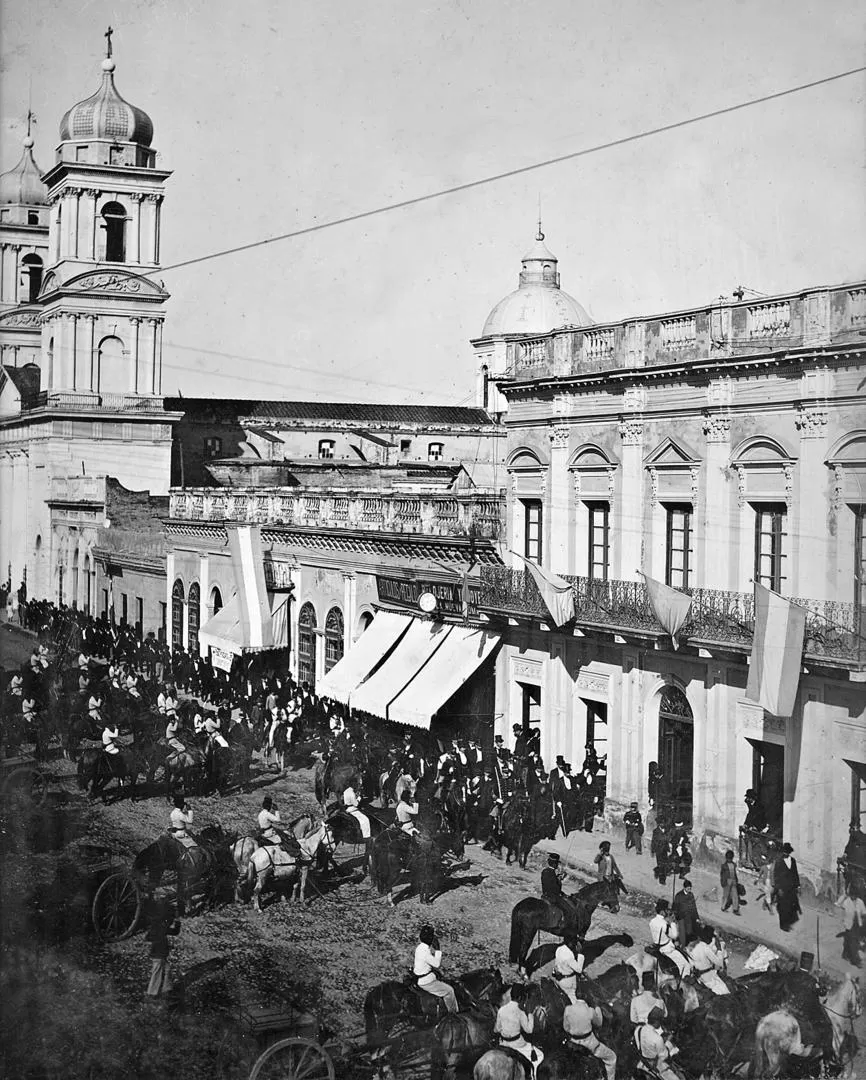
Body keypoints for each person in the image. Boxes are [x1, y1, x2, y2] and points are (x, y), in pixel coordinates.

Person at [562, 988, 617, 1080]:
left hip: (572, 1043)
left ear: (576, 995)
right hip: (589, 1044)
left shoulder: (568, 1009)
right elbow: (599, 1024)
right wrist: (598, 1009)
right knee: (612, 1057)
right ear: (587, 997)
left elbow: (566, 1028)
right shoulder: (590, 1010)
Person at [413, 925, 457, 1012]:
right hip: (426, 982)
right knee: (449, 990)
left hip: (422, 977)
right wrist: (438, 949)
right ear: (431, 939)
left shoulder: (420, 947)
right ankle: (453, 1015)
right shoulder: (425, 951)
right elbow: (436, 964)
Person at [494, 984, 539, 1068]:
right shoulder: (520, 1012)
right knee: (540, 1056)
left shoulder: (501, 1009)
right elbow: (529, 1030)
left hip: (503, 1044)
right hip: (517, 1044)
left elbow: (497, 1029)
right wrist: (530, 1014)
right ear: (520, 998)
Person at [145, 900, 180, 1000]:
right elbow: (174, 931)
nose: (170, 921)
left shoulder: (160, 926)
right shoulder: (159, 926)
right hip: (158, 953)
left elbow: (174, 932)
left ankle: (166, 989)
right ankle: (152, 993)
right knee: (157, 971)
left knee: (167, 969)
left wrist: (177, 920)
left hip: (160, 953)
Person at [635, 1006, 683, 1080]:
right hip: (655, 1064)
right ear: (657, 1022)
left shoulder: (639, 1029)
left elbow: (646, 1041)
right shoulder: (657, 1039)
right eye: (660, 1021)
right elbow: (664, 1056)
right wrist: (668, 1042)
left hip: (643, 1060)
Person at [649, 899, 691, 979]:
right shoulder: (664, 924)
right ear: (662, 912)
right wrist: (672, 923)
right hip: (667, 948)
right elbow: (674, 935)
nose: (668, 912)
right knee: (685, 965)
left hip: (657, 945)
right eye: (666, 910)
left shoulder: (652, 921)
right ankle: (685, 980)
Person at [687, 925, 729, 995]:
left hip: (697, 977)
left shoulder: (690, 948)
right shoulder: (705, 948)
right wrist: (719, 950)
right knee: (725, 992)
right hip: (709, 978)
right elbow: (719, 963)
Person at [541, 852, 576, 927]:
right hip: (553, 897)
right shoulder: (552, 873)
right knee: (568, 908)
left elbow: (549, 884)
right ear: (555, 864)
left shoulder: (545, 871)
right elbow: (555, 889)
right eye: (557, 864)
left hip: (545, 895)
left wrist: (557, 878)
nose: (558, 865)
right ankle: (563, 925)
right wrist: (559, 881)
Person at [773, 843, 801, 932]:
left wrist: (798, 886)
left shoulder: (792, 861)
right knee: (782, 907)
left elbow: (795, 873)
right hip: (782, 888)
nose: (785, 854)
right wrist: (779, 889)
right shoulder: (778, 861)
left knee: (790, 906)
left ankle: (788, 923)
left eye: (787, 852)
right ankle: (783, 925)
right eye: (784, 852)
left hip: (791, 887)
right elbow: (776, 876)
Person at [835, 882, 865, 967]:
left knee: (849, 940)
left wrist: (861, 920)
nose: (853, 897)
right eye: (852, 895)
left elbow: (864, 913)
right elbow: (838, 904)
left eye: (855, 895)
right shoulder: (846, 901)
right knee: (853, 943)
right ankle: (855, 961)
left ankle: (845, 954)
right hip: (848, 924)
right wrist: (844, 895)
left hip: (857, 925)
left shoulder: (860, 902)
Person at [553, 933, 585, 1004]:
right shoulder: (568, 956)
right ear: (570, 943)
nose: (575, 944)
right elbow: (579, 969)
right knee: (573, 1001)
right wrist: (580, 953)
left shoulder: (559, 949)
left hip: (559, 978)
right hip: (568, 982)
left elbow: (556, 964)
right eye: (574, 942)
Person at [672, 879, 699, 946]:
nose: (690, 889)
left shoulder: (691, 895)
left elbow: (694, 907)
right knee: (682, 932)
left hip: (689, 917)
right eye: (688, 888)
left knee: (689, 931)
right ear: (684, 888)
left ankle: (687, 942)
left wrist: (697, 917)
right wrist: (676, 916)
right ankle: (681, 943)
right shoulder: (678, 896)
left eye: (690, 888)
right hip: (681, 917)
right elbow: (675, 907)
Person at [720, 850, 741, 915]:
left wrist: (736, 880)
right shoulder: (724, 866)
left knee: (735, 895)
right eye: (729, 858)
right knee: (726, 895)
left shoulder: (733, 865)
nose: (729, 859)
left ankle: (735, 909)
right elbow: (722, 875)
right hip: (727, 881)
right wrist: (723, 882)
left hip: (733, 881)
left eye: (730, 858)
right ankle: (723, 907)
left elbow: (734, 874)